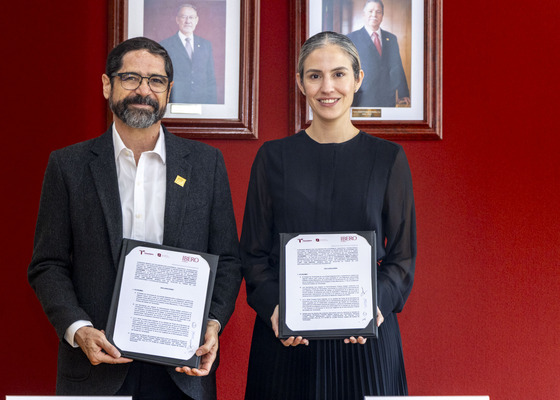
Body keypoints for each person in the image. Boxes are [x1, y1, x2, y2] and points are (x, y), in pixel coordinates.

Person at [28, 37, 241, 400]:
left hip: (182, 372)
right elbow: (48, 264)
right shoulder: (68, 166)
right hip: (96, 368)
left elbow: (228, 261)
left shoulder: (206, 165)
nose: (144, 91)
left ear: (169, 91)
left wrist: (213, 322)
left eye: (156, 81)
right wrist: (78, 329)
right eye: (131, 78)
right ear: (107, 85)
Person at [240, 31, 416, 399]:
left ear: (358, 79)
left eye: (338, 74)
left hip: (366, 343)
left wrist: (376, 305)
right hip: (286, 343)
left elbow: (402, 259)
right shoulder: (272, 158)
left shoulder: (388, 159)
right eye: (315, 75)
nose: (327, 87)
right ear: (300, 83)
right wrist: (275, 308)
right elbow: (252, 255)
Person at [347, 0, 410, 107]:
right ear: (364, 14)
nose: (374, 15)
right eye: (370, 11)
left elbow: (397, 66)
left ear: (382, 15)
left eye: (378, 12)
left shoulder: (391, 38)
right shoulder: (351, 38)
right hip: (362, 99)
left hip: (387, 98)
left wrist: (403, 93)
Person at [160, 4, 218, 104]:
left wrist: (212, 106)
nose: (188, 21)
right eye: (184, 17)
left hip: (201, 103)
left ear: (196, 20)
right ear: (177, 20)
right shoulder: (165, 45)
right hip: (174, 103)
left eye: (191, 17)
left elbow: (210, 78)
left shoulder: (205, 45)